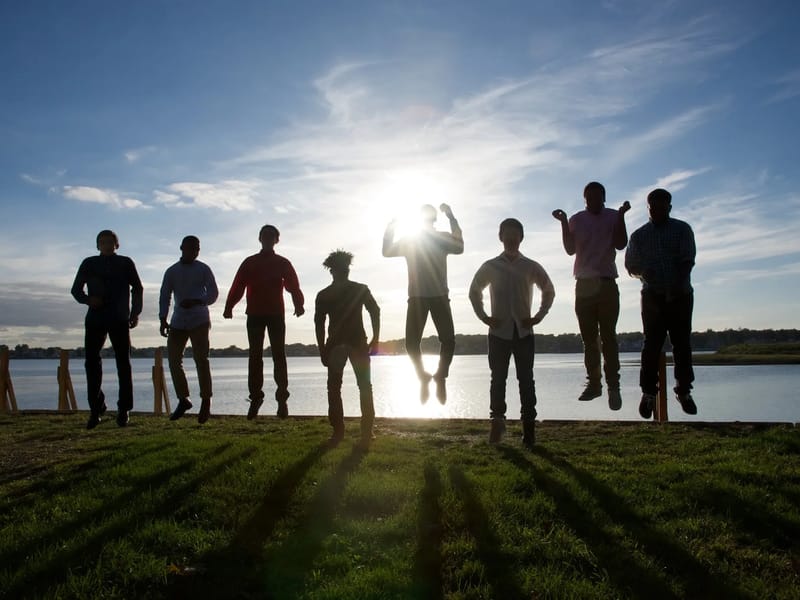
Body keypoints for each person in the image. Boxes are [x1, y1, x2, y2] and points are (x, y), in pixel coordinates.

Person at [469, 218, 555, 448]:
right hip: (498, 333)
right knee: (497, 380)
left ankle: (529, 432)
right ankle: (497, 425)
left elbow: (548, 290)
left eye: (515, 234)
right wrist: (484, 316)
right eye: (506, 234)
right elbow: (474, 290)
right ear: (501, 237)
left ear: (521, 237)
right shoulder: (490, 266)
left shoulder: (530, 266)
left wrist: (539, 316)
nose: (511, 238)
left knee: (526, 381)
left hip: (524, 333)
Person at [552, 182, 630, 410]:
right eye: (590, 198)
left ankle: (613, 387)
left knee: (608, 337)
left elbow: (621, 244)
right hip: (584, 285)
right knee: (589, 340)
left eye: (598, 197)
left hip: (606, 283)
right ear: (585, 199)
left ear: (604, 197)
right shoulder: (577, 219)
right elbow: (569, 249)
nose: (594, 201)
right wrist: (564, 222)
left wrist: (623, 216)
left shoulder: (613, 216)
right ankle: (594, 384)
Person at [625, 188, 697, 419]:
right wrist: (642, 272)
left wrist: (676, 285)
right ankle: (648, 394)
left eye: (662, 207)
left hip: (680, 294)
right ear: (648, 207)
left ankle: (683, 391)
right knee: (651, 345)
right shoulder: (638, 236)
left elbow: (688, 260)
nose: (657, 211)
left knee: (682, 344)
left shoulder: (682, 230)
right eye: (653, 207)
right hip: (652, 296)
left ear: (669, 207)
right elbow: (630, 267)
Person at [382, 203, 463, 404]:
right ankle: (424, 378)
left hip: (437, 296)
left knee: (447, 340)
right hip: (419, 297)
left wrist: (452, 218)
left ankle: (440, 376)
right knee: (413, 343)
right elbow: (386, 251)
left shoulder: (439, 238)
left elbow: (460, 247)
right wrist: (391, 227)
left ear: (432, 220)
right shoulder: (412, 240)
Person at [223, 225, 304, 419]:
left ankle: (282, 400)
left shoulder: (282, 263)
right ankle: (256, 398)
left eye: (271, 237)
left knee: (279, 356)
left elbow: (292, 284)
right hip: (255, 315)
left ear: (276, 240)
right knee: (255, 357)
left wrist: (298, 303)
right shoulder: (250, 262)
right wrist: (229, 306)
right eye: (265, 236)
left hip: (276, 314)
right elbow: (238, 285)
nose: (268, 240)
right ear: (260, 239)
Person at [71, 230, 143, 429]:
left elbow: (137, 288)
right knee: (91, 363)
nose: (106, 245)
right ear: (97, 245)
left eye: (109, 242)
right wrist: (88, 300)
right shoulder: (89, 263)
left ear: (116, 244)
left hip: (119, 318)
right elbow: (76, 290)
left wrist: (135, 313)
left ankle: (124, 409)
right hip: (95, 318)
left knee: (123, 363)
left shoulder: (126, 263)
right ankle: (96, 409)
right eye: (102, 242)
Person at [314, 250, 380, 447]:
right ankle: (363, 432)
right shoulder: (358, 289)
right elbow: (375, 311)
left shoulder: (325, 294)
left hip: (339, 345)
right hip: (354, 343)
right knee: (362, 387)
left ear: (333, 270)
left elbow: (319, 324)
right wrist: (375, 339)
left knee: (336, 388)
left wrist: (322, 348)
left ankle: (341, 432)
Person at [159, 235, 219, 424]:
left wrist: (197, 301)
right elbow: (165, 295)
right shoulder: (172, 271)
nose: (194, 251)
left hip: (199, 319)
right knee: (174, 360)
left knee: (201, 360)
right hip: (178, 321)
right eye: (191, 248)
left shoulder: (203, 269)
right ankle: (183, 398)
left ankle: (206, 401)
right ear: (182, 248)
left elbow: (213, 293)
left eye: (197, 248)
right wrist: (162, 318)